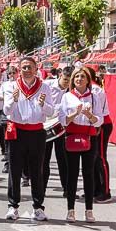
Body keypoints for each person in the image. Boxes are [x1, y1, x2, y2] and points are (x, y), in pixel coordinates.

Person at [3, 56, 56, 222]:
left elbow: (51, 112)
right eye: (24, 67)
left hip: (37, 132)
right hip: (17, 131)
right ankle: (13, 206)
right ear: (19, 69)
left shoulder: (45, 87)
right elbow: (6, 110)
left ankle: (38, 207)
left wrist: (42, 105)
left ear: (36, 69)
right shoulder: (11, 86)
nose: (27, 70)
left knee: (37, 171)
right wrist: (14, 99)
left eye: (30, 67)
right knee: (15, 170)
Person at [60, 67, 106, 222]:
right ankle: (70, 210)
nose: (79, 79)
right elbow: (62, 120)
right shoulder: (67, 96)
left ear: (88, 80)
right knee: (71, 174)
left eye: (82, 77)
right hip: (72, 135)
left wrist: (89, 115)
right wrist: (75, 114)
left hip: (89, 136)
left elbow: (100, 120)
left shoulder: (94, 97)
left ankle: (89, 210)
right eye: (76, 76)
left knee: (88, 173)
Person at [41, 67, 72, 196]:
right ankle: (41, 189)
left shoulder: (71, 91)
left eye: (69, 81)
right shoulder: (47, 85)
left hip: (61, 127)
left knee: (63, 159)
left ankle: (67, 189)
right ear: (60, 75)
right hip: (45, 125)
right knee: (44, 159)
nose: (66, 83)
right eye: (65, 80)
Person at [90, 66, 113, 203]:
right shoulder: (88, 88)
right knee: (92, 158)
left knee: (101, 157)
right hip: (93, 125)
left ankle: (105, 191)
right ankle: (95, 189)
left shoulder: (95, 89)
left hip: (102, 124)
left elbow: (99, 112)